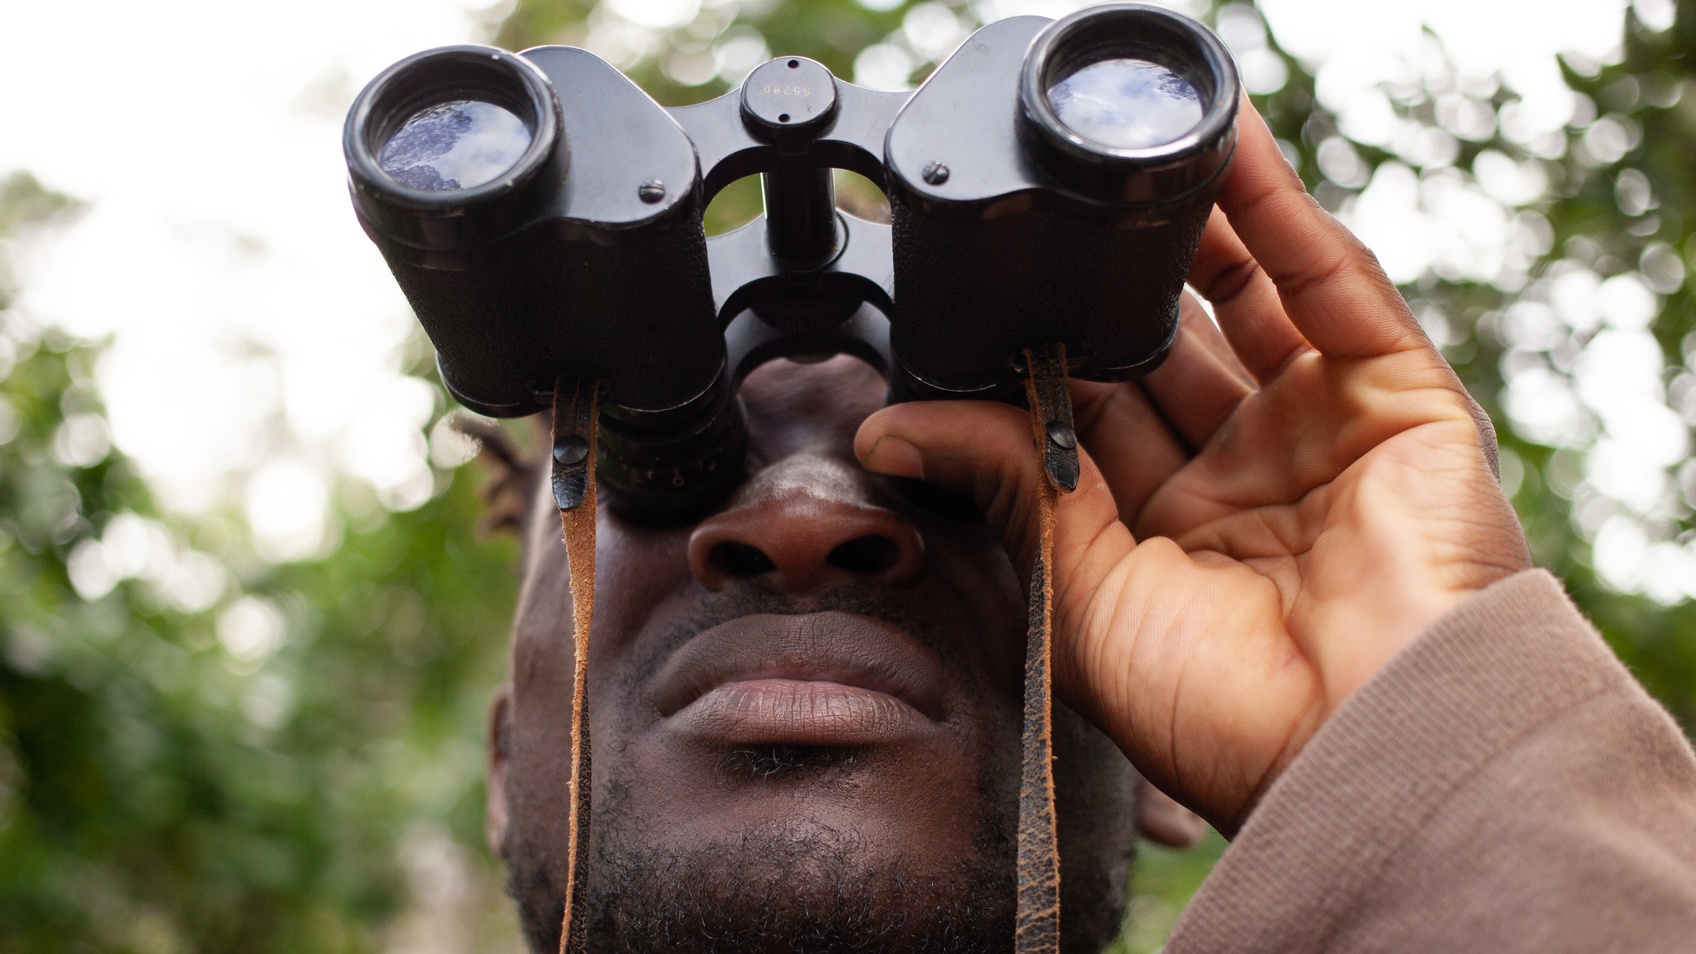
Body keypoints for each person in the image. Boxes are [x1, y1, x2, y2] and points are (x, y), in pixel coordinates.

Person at [479, 100, 1696, 953]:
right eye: (660, 466)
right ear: (499, 764)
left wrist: (1425, 766)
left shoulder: (1413, 784)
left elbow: (1416, 769)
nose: (802, 519)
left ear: (1153, 776)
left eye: (960, 483)